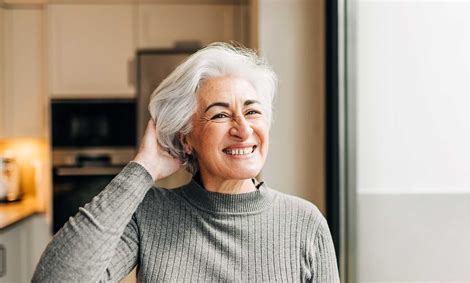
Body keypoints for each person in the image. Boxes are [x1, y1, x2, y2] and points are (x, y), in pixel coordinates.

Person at [32, 43, 339, 282]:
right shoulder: (150, 214)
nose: (243, 129)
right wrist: (143, 170)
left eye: (253, 112)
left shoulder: (305, 223)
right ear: (186, 138)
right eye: (220, 114)